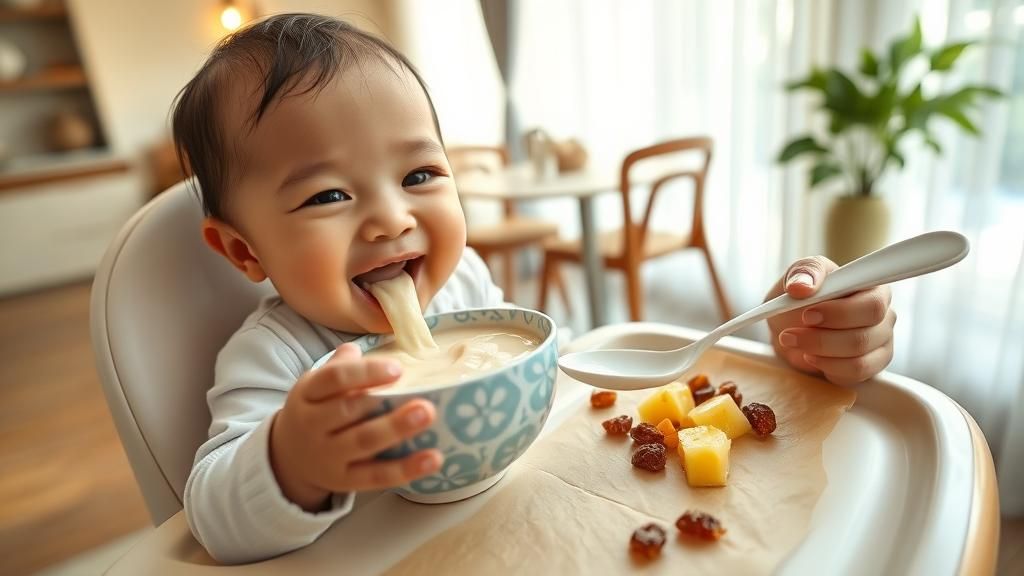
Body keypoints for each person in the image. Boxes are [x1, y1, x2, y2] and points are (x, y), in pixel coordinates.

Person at [171, 13, 896, 564]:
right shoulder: (276, 357)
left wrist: (791, 338)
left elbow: (577, 376)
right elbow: (212, 519)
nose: (392, 219)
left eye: (419, 175)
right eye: (328, 195)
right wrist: (291, 461)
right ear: (243, 250)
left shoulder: (465, 284)